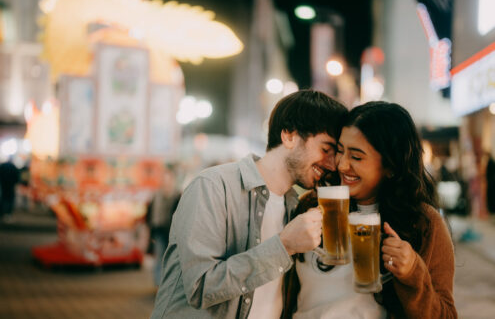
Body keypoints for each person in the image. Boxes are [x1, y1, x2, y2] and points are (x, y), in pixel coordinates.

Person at [150, 90, 348, 319]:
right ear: (290, 136)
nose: (333, 164)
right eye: (325, 149)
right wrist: (284, 246)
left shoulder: (296, 206)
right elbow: (200, 287)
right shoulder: (214, 186)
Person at [287, 101, 457, 318]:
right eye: (340, 151)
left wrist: (413, 273)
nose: (342, 165)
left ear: (391, 166)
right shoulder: (311, 206)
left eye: (356, 157)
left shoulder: (423, 223)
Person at [149, 166, 182, 286]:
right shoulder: (156, 195)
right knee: (159, 258)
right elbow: (151, 214)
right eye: (164, 179)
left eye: (168, 179)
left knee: (171, 259)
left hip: (172, 232)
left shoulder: (177, 195)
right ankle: (159, 284)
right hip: (159, 231)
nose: (166, 181)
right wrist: (151, 232)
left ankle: (169, 284)